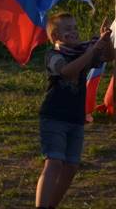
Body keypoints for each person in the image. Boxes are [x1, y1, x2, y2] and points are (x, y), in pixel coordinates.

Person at [35, 13, 113, 209]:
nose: (74, 32)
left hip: (76, 118)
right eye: (68, 29)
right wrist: (92, 50)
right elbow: (68, 71)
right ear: (55, 36)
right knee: (54, 162)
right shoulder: (53, 55)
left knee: (71, 167)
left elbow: (110, 57)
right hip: (54, 117)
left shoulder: (83, 51)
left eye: (75, 28)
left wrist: (106, 41)